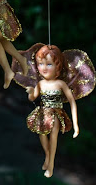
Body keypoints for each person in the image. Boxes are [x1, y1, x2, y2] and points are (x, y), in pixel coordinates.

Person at [26, 45, 79, 178]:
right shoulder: (40, 84)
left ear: (58, 67)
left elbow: (72, 102)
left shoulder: (61, 84)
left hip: (56, 113)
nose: (44, 68)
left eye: (49, 64)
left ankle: (51, 165)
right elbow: (32, 98)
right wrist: (31, 92)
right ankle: (48, 155)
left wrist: (76, 125)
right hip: (43, 113)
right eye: (40, 64)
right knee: (41, 134)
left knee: (53, 137)